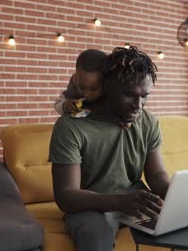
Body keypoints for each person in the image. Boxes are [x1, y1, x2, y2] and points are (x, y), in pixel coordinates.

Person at [49, 46, 171, 251]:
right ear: (107, 88)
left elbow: (157, 175)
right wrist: (120, 202)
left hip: (134, 199)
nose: (138, 105)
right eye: (129, 95)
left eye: (145, 96)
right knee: (96, 237)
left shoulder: (147, 121)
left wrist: (180, 199)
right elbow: (66, 196)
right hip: (89, 205)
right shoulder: (71, 126)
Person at [54, 49, 107, 116]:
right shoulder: (73, 90)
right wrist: (64, 106)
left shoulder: (111, 96)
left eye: (94, 88)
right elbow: (57, 104)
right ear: (76, 78)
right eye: (82, 87)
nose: (87, 94)